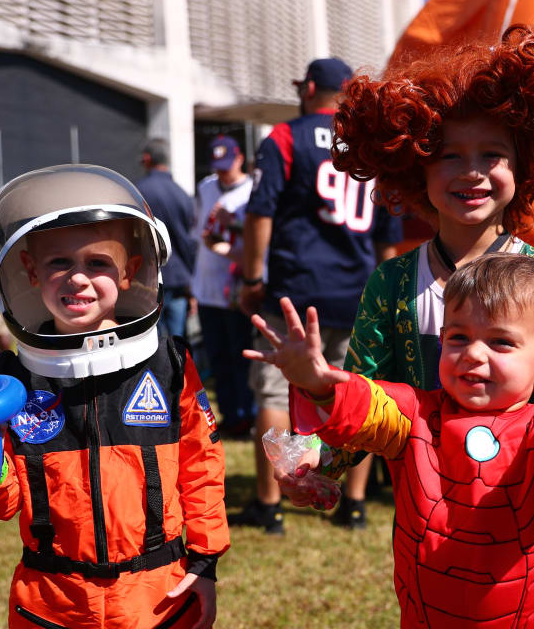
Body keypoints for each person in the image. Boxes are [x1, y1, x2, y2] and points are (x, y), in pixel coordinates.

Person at [286, 24, 534, 627]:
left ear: (523, 165)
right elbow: (366, 400)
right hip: (433, 530)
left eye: (491, 155)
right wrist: (317, 461)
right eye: (449, 154)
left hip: (530, 529)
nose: (470, 172)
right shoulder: (393, 284)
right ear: (415, 169)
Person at [247, 254, 534, 628]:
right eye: (459, 337)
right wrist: (321, 384)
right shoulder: (414, 414)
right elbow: (367, 407)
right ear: (441, 341)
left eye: (501, 342)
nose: (474, 354)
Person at [0, 164, 228, 629]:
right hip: (52, 600)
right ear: (29, 270)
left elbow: (201, 464)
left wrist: (204, 563)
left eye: (97, 263)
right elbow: (4, 504)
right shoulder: (13, 382)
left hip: (158, 594)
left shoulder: (168, 365)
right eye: (58, 263)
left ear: (130, 272)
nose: (77, 278)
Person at [235, 57, 402, 535]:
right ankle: (353, 503)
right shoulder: (365, 147)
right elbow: (387, 232)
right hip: (356, 289)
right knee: (359, 390)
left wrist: (251, 279)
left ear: (310, 88)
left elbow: (261, 211)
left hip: (295, 286)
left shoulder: (287, 138)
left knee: (272, 388)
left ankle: (271, 505)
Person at [192, 135, 255, 437]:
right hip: (207, 287)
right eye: (218, 168)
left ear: (240, 159)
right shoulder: (206, 187)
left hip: (236, 287)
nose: (222, 174)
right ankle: (231, 415)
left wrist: (233, 225)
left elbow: (258, 237)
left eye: (227, 167)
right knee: (218, 357)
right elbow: (200, 231)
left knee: (239, 355)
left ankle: (247, 414)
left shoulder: (251, 190)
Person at [137, 137, 197, 339]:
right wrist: (191, 276)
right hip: (179, 277)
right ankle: (181, 371)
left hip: (149, 278)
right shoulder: (182, 194)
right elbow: (189, 241)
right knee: (178, 339)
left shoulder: (138, 192)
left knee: (154, 341)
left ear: (147, 159)